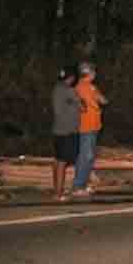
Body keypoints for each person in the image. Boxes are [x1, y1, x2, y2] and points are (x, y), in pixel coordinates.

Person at [72, 61, 109, 198]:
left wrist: (96, 93)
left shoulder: (88, 87)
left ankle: (83, 184)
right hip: (85, 126)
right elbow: (102, 101)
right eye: (94, 71)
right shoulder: (81, 88)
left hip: (93, 125)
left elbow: (104, 101)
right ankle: (78, 186)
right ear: (89, 73)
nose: (95, 74)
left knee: (89, 156)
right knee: (85, 156)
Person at [51, 65, 81, 202]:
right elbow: (82, 106)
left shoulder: (57, 88)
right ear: (72, 78)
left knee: (57, 160)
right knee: (62, 161)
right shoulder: (69, 90)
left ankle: (56, 191)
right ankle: (59, 193)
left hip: (57, 129)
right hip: (67, 130)